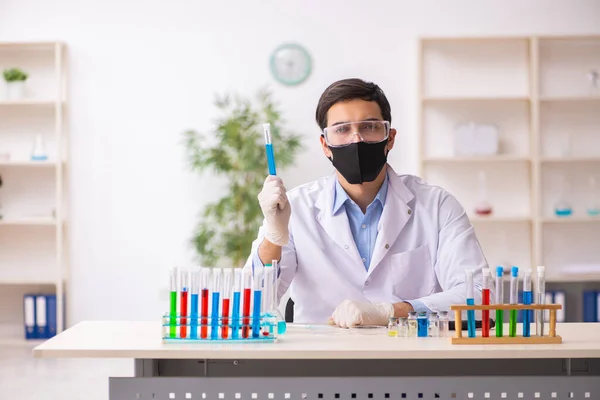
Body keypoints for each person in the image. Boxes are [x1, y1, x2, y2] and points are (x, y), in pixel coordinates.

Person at [244, 78, 489, 327]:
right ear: (325, 146)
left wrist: (393, 312)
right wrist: (273, 238)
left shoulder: (437, 205)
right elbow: (250, 306)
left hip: (411, 353)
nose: (357, 139)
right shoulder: (296, 207)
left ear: (390, 138)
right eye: (341, 129)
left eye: (370, 126)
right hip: (321, 356)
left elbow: (480, 298)